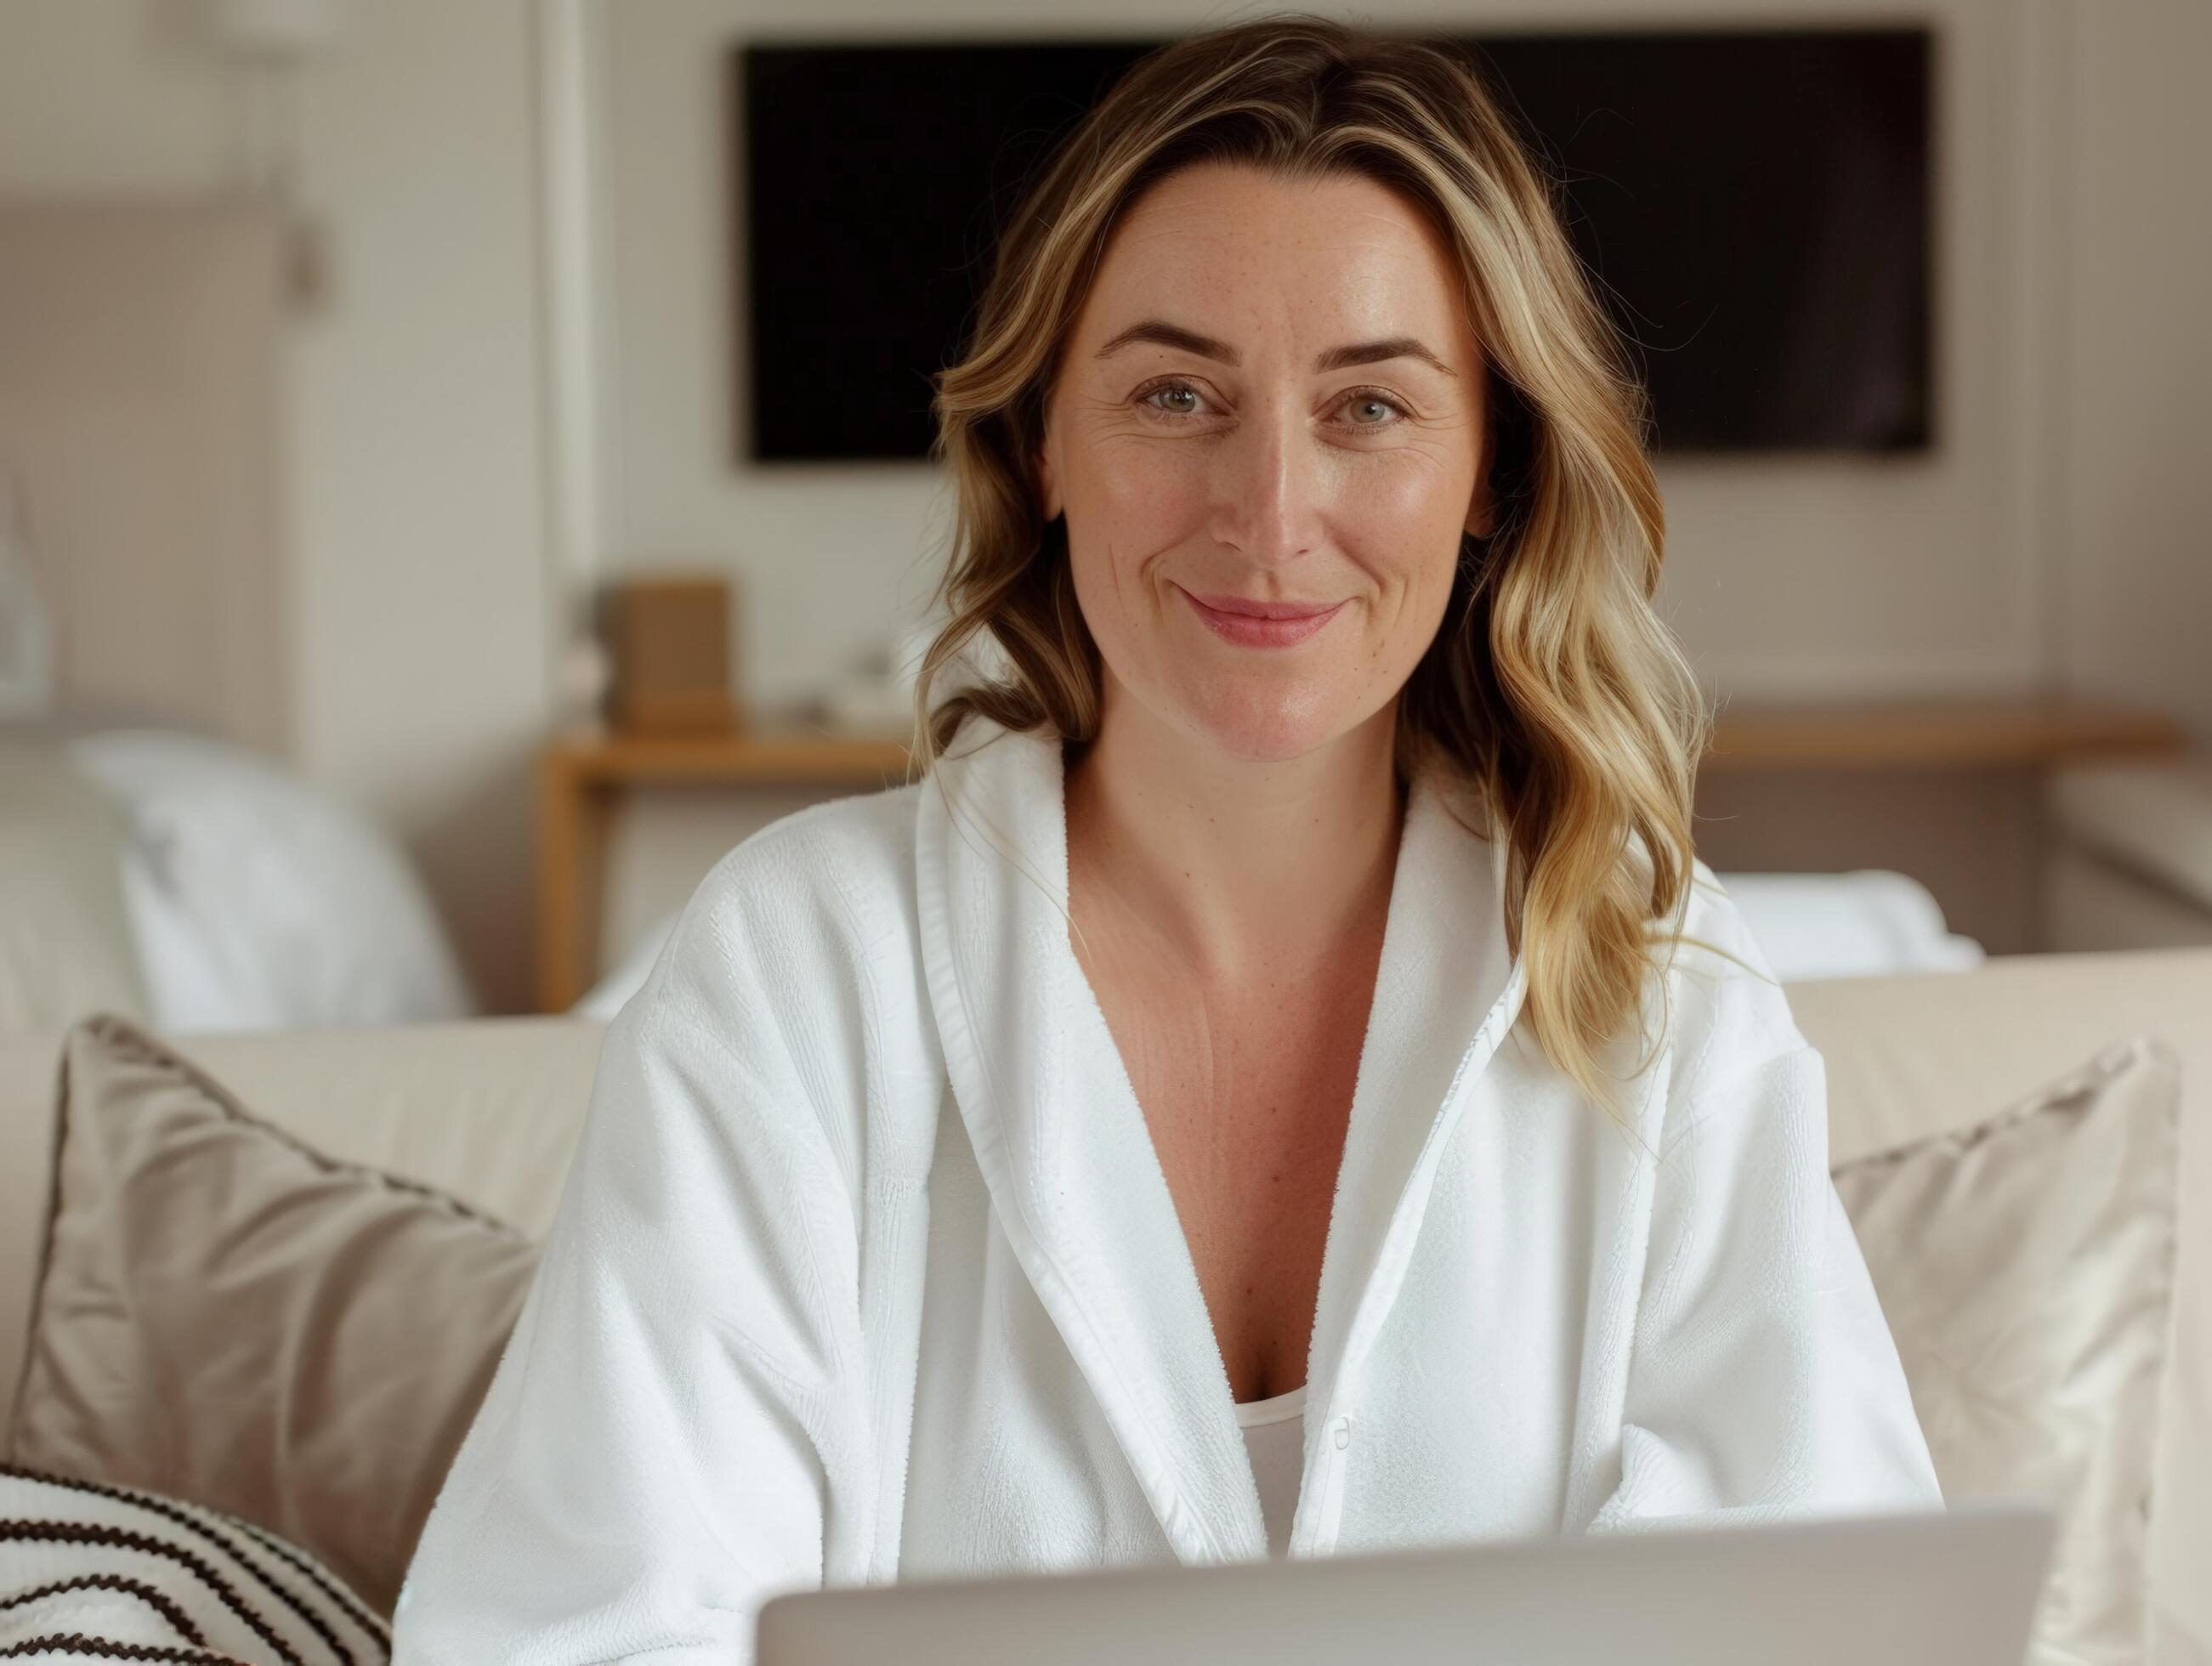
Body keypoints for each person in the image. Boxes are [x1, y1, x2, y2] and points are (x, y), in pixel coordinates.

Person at [390, 14, 1941, 1661]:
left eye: (1368, 409)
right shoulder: (794, 966)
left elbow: (1816, 1610)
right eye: (1175, 392)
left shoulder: (1650, 974)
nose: (1266, 513)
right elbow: (576, 1630)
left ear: (1488, 467)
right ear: (1041, 440)